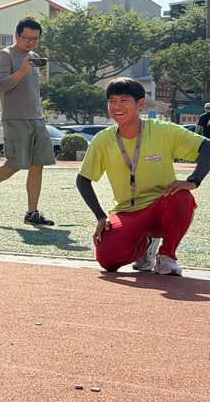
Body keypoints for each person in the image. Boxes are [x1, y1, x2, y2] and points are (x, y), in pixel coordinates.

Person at [76, 78, 210, 277]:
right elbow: (82, 179)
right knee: (108, 260)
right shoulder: (103, 139)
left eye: (124, 100)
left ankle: (167, 256)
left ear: (139, 104)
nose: (117, 106)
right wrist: (100, 216)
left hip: (161, 207)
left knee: (182, 196)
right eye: (112, 101)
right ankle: (145, 245)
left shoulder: (163, 130)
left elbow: (207, 146)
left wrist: (194, 180)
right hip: (126, 212)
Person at [0, 17, 56, 226]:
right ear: (16, 35)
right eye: (27, 38)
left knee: (38, 165)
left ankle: (32, 213)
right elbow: (1, 85)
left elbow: (32, 87)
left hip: (37, 118)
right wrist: (22, 70)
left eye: (35, 39)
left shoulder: (34, 57)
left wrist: (40, 112)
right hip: (15, 118)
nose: (31, 42)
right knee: (15, 164)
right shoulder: (5, 55)